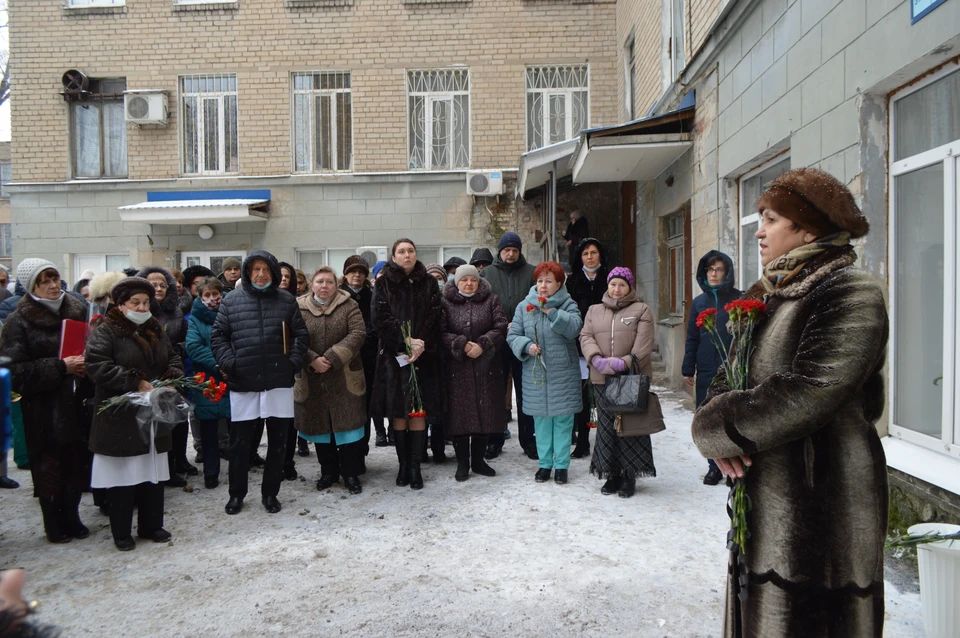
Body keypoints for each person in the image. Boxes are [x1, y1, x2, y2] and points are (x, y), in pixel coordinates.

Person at [691, 168, 888, 637]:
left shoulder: (850, 291)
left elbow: (810, 390)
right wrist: (717, 423)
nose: (758, 230)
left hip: (823, 507)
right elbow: (726, 378)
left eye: (771, 219)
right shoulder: (769, 294)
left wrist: (716, 429)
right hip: (767, 500)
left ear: (808, 227)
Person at [85, 277, 183, 551]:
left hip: (151, 413)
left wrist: (172, 377)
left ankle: (151, 525)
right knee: (123, 477)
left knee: (152, 472)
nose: (141, 308)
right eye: (135, 303)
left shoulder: (154, 328)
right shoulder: (107, 331)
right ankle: (121, 531)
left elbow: (172, 356)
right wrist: (134, 381)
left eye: (146, 302)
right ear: (121, 304)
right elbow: (97, 365)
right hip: (120, 416)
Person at [211, 251, 308, 515]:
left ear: (274, 272)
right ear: (247, 272)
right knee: (240, 443)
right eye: (255, 269)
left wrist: (293, 362)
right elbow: (218, 335)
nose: (261, 274)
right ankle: (236, 494)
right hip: (244, 382)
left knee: (278, 442)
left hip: (278, 381)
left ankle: (270, 493)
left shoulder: (287, 300)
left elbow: (300, 334)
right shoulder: (232, 301)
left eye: (266, 269)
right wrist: (230, 363)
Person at [0, 259, 91, 541]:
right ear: (32, 287)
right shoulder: (19, 322)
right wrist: (61, 366)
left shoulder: (78, 310)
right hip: (43, 408)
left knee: (76, 462)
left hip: (77, 401)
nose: (54, 286)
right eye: (45, 281)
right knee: (49, 466)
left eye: (55, 279)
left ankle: (73, 515)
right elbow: (13, 371)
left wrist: (90, 361)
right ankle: (53, 521)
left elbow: (94, 345)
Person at [579, 267, 660, 498]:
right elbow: (586, 336)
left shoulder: (641, 309)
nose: (617, 289)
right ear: (608, 285)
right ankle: (611, 473)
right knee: (606, 428)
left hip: (631, 378)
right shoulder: (594, 310)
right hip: (602, 378)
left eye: (622, 285)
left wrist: (625, 362)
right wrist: (596, 359)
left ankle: (629, 475)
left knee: (630, 426)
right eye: (613, 284)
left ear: (629, 287)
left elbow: (644, 343)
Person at [372, 238, 443, 490]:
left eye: (411, 250)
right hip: (394, 358)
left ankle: (415, 465)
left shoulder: (430, 282)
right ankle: (402, 465)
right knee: (399, 412)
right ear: (393, 257)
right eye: (401, 251)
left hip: (423, 357)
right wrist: (404, 341)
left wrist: (420, 342)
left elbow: (436, 314)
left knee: (418, 410)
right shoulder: (383, 283)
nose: (407, 255)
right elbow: (380, 317)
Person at [506, 261, 582, 484]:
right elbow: (513, 335)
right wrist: (527, 346)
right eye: (540, 281)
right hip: (536, 373)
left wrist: (551, 312)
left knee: (562, 420)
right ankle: (544, 464)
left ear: (559, 284)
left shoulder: (568, 304)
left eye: (549, 281)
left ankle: (561, 466)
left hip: (562, 373)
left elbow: (574, 329)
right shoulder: (524, 306)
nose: (543, 286)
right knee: (541, 421)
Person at [294, 266, 368, 494]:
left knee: (348, 429)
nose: (324, 286)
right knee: (320, 428)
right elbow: (292, 337)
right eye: (320, 282)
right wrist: (312, 359)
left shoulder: (349, 305)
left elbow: (358, 333)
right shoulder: (298, 307)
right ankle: (328, 472)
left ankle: (351, 474)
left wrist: (332, 357)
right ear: (311, 284)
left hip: (344, 376)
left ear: (337, 285)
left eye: (329, 282)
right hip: (311, 376)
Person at [441, 265, 507, 481]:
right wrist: (461, 344)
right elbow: (440, 332)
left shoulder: (491, 300)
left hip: (485, 366)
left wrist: (483, 344)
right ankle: (463, 463)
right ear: (456, 282)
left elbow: (500, 326)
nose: (469, 283)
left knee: (484, 412)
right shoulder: (445, 302)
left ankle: (479, 461)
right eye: (464, 280)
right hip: (457, 367)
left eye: (473, 280)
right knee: (461, 415)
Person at [682, 251, 741, 486]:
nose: (714, 274)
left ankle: (734, 465)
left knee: (732, 416)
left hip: (733, 367)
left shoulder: (737, 298)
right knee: (708, 417)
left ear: (727, 273)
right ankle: (714, 466)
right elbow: (692, 338)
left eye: (718, 269)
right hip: (707, 368)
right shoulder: (699, 303)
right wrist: (689, 367)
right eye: (709, 269)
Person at [137, 265, 194, 486]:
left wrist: (173, 357)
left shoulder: (176, 312)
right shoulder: (138, 312)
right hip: (145, 378)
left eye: (163, 284)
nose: (159, 288)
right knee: (153, 425)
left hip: (173, 374)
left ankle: (177, 462)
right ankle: (158, 470)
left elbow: (185, 340)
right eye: (153, 284)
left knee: (177, 421)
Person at [481, 232, 536, 460]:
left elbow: (536, 300)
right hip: (497, 341)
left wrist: (522, 322)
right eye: (506, 250)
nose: (510, 253)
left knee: (526, 392)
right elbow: (482, 305)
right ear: (500, 251)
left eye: (514, 249)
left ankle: (529, 440)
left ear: (519, 251)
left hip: (525, 340)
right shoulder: (487, 274)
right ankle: (494, 440)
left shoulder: (532, 272)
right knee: (496, 391)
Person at [184, 277, 231, 489]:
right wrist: (218, 363)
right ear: (200, 297)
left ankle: (239, 468)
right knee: (209, 429)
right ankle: (211, 473)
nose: (213, 299)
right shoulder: (195, 319)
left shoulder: (231, 312)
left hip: (233, 376)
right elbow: (193, 346)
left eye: (216, 294)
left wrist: (231, 363)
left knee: (236, 427)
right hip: (208, 379)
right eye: (207, 295)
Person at [565, 237, 609, 459]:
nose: (590, 257)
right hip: (580, 345)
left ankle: (607, 442)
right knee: (583, 396)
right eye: (585, 254)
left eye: (593, 252)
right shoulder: (572, 281)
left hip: (609, 345)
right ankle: (582, 441)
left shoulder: (611, 277)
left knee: (606, 395)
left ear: (600, 254)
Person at [339, 256, 384, 450]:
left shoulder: (372, 295)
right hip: (343, 358)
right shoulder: (338, 296)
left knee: (365, 404)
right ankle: (345, 448)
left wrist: (367, 337)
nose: (356, 275)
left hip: (368, 357)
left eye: (361, 271)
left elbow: (378, 322)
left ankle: (362, 447)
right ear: (345, 274)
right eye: (352, 271)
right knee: (346, 405)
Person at [276, 261, 307, 466]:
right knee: (278, 417)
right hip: (270, 364)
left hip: (294, 363)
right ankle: (279, 458)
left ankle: (289, 458)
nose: (284, 279)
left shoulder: (298, 302)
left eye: (287, 276)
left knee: (293, 411)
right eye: (280, 275)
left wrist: (295, 359)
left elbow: (302, 334)